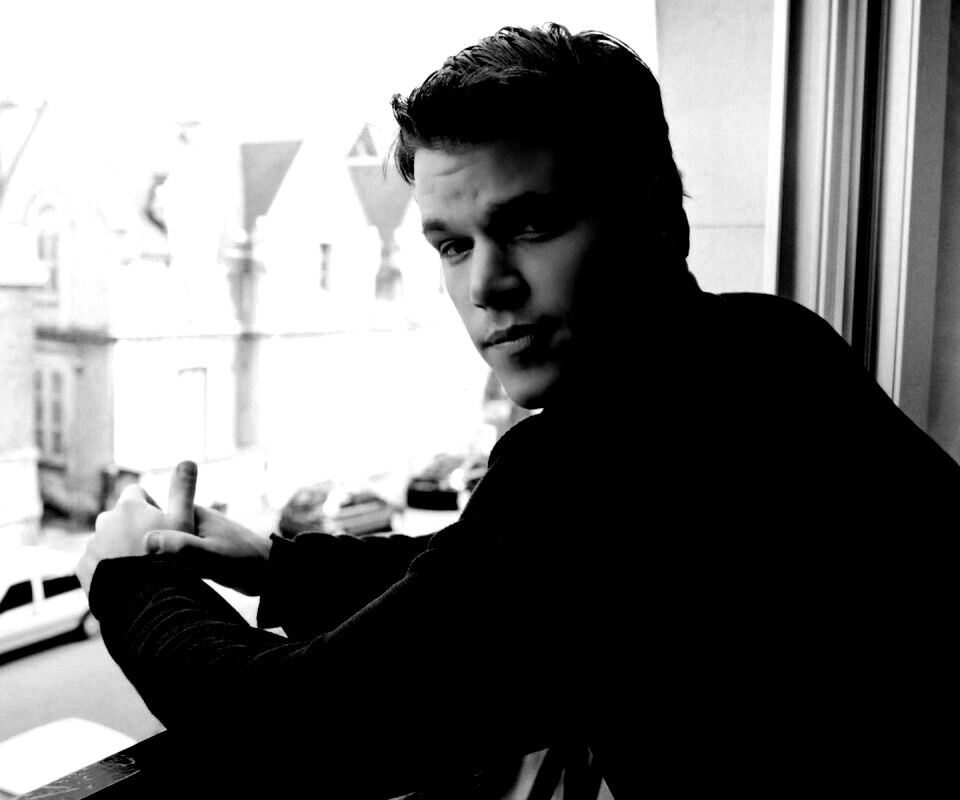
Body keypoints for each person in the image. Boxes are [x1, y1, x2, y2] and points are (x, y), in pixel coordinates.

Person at [78, 23, 956, 798]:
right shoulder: (770, 340)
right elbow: (491, 578)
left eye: (531, 226)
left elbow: (289, 735)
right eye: (452, 245)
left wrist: (129, 580)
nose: (486, 286)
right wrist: (280, 567)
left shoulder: (596, 463)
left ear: (656, 217)